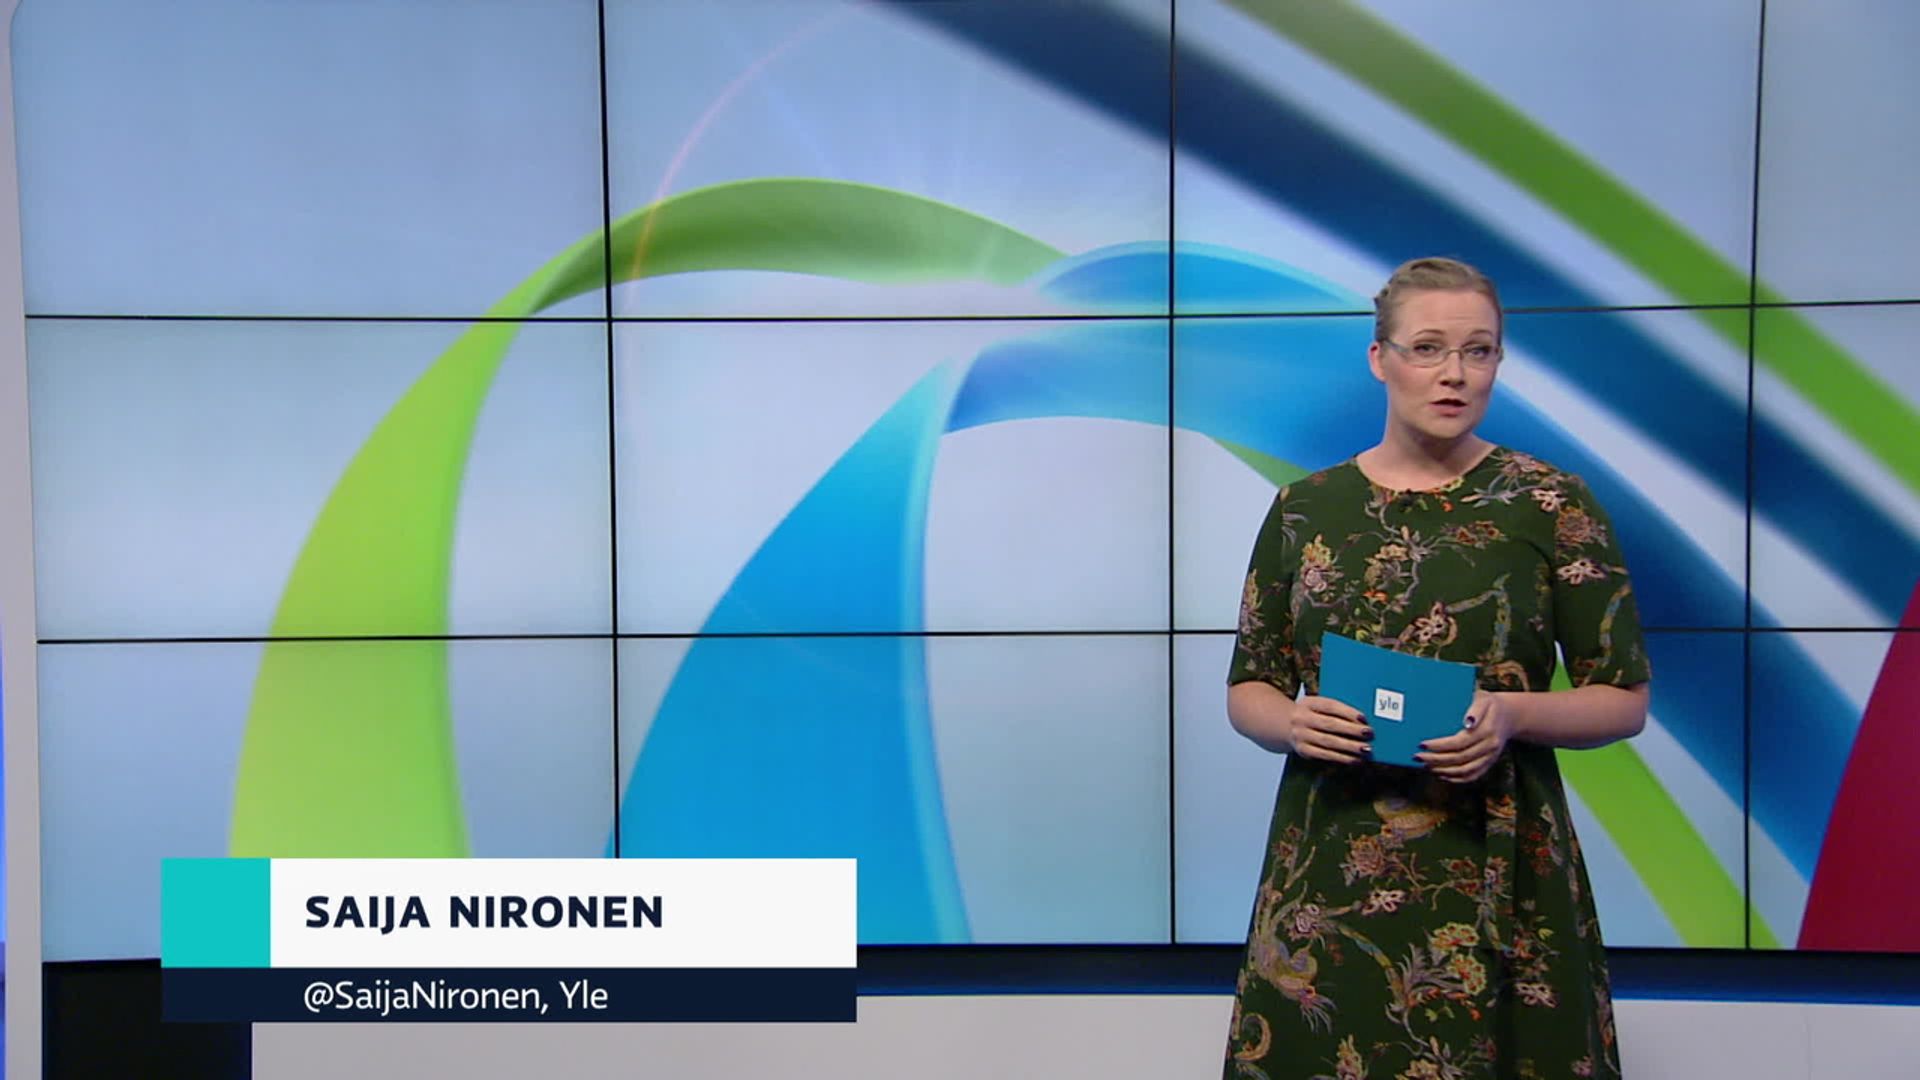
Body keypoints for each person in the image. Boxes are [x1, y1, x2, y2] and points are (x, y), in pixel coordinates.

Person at [1221, 257, 1652, 1080]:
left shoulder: (1552, 503)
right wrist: (1291, 721)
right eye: (1427, 348)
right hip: (1329, 870)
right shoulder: (1305, 509)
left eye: (1477, 350)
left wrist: (1514, 714)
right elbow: (1250, 686)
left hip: (1502, 867)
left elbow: (1623, 698)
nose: (1454, 373)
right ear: (1380, 358)